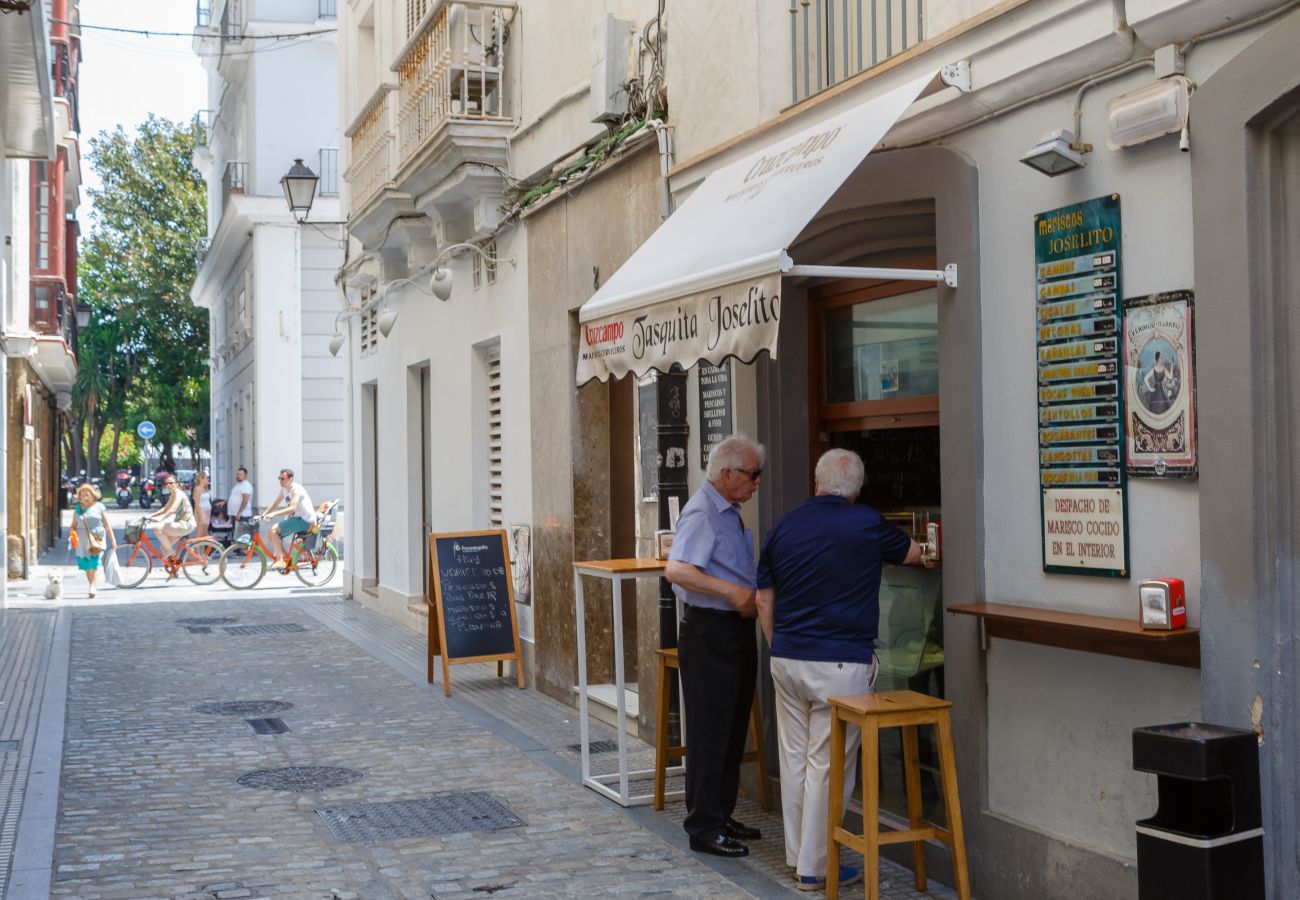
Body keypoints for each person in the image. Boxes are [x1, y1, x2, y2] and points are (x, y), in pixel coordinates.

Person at [756, 448, 924, 892]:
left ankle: (798, 856)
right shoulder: (866, 523)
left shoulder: (783, 524)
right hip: (839, 663)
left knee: (793, 761)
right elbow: (911, 552)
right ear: (856, 489)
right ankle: (815, 867)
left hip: (787, 657)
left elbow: (762, 600)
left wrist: (781, 647)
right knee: (827, 765)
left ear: (817, 483)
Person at [664, 434, 765, 859]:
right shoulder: (703, 512)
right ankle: (703, 826)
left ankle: (720, 813)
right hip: (711, 631)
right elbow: (677, 570)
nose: (757, 482)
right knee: (709, 733)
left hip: (734, 631)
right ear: (727, 474)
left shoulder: (730, 511)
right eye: (752, 474)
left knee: (731, 728)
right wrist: (730, 592)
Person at [259, 468, 316, 570]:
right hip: (296, 518)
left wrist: (273, 514)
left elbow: (292, 508)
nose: (280, 480)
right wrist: (263, 515)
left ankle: (280, 560)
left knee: (274, 530)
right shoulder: (284, 490)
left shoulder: (296, 490)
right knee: (270, 536)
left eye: (283, 478)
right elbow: (275, 503)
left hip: (305, 520)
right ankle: (287, 560)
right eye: (279, 478)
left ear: (291, 479)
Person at [145, 473, 196, 577]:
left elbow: (172, 509)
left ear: (176, 484)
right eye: (166, 483)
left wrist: (159, 519)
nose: (168, 485)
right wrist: (151, 516)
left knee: (158, 529)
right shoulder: (173, 494)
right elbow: (165, 508)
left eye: (171, 483)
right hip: (181, 524)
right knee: (164, 547)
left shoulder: (179, 494)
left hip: (186, 524)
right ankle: (175, 570)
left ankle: (171, 552)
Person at [72, 483, 116, 598]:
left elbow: (107, 525)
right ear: (79, 497)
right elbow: (73, 525)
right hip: (82, 540)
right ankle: (91, 584)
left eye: (87, 495)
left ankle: (92, 586)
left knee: (94, 562)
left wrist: (113, 540)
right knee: (87, 565)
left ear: (92, 495)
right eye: (82, 495)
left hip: (97, 539)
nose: (85, 497)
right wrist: (73, 535)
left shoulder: (100, 506)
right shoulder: (77, 509)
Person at [193, 471, 213, 538]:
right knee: (199, 533)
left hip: (207, 512)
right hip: (201, 512)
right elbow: (196, 504)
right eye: (206, 478)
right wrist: (200, 517)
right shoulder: (197, 489)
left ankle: (203, 548)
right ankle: (197, 548)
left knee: (204, 533)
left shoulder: (206, 488)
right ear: (201, 479)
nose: (208, 479)